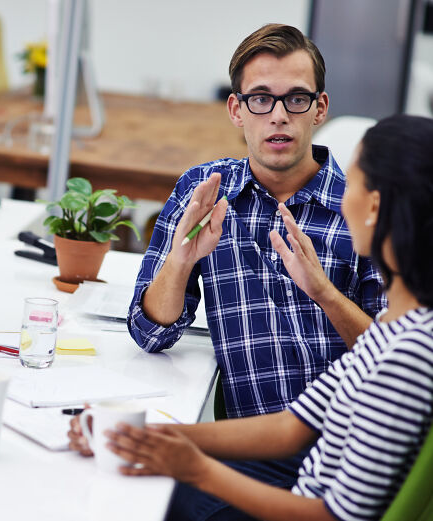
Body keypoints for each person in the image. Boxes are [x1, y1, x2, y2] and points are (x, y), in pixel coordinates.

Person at [73, 114, 433, 521]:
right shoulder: (394, 332)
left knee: (135, 498)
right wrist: (142, 437)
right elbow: (289, 428)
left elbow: (334, 517)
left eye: (352, 179)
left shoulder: (408, 354)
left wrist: (196, 468)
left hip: (300, 502)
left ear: (373, 206)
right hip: (292, 483)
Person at [128, 24, 385, 420]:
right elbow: (150, 334)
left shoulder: (366, 210)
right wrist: (179, 263)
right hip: (249, 444)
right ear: (236, 109)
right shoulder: (204, 192)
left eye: (297, 98)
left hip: (343, 446)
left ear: (320, 107)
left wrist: (325, 294)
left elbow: (395, 363)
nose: (279, 116)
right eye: (261, 99)